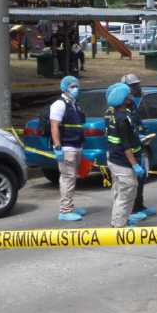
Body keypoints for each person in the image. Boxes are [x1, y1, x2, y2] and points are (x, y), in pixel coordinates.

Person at [104, 83, 146, 228]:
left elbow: (127, 137)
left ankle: (122, 219)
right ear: (122, 99)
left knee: (120, 192)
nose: (131, 96)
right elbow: (125, 146)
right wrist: (135, 165)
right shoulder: (121, 119)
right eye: (128, 94)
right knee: (127, 191)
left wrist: (138, 139)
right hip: (122, 161)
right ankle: (118, 225)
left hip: (116, 159)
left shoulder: (119, 115)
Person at [50, 76, 88, 221]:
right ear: (65, 88)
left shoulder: (74, 104)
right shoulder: (59, 105)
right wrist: (57, 147)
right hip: (67, 148)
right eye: (72, 86)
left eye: (77, 86)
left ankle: (70, 206)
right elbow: (55, 126)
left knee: (71, 179)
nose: (76, 89)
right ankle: (65, 210)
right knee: (67, 178)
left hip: (76, 146)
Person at [120, 73, 156, 220]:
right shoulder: (120, 107)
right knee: (131, 183)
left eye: (136, 85)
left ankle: (140, 205)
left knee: (141, 180)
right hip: (127, 151)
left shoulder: (133, 104)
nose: (137, 88)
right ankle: (132, 210)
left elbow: (137, 122)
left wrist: (144, 133)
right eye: (133, 86)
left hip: (138, 147)